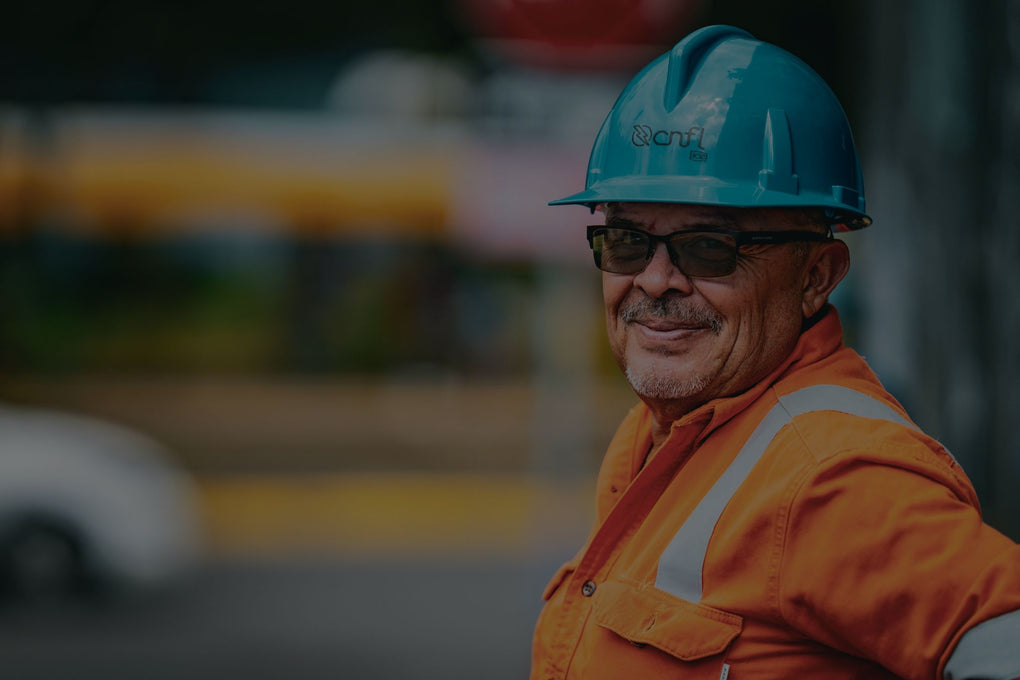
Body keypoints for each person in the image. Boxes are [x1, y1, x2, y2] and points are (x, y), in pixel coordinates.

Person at [531, 25, 1020, 680]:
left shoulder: (832, 476)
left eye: (709, 247)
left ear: (816, 275)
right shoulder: (661, 433)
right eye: (625, 240)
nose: (654, 280)